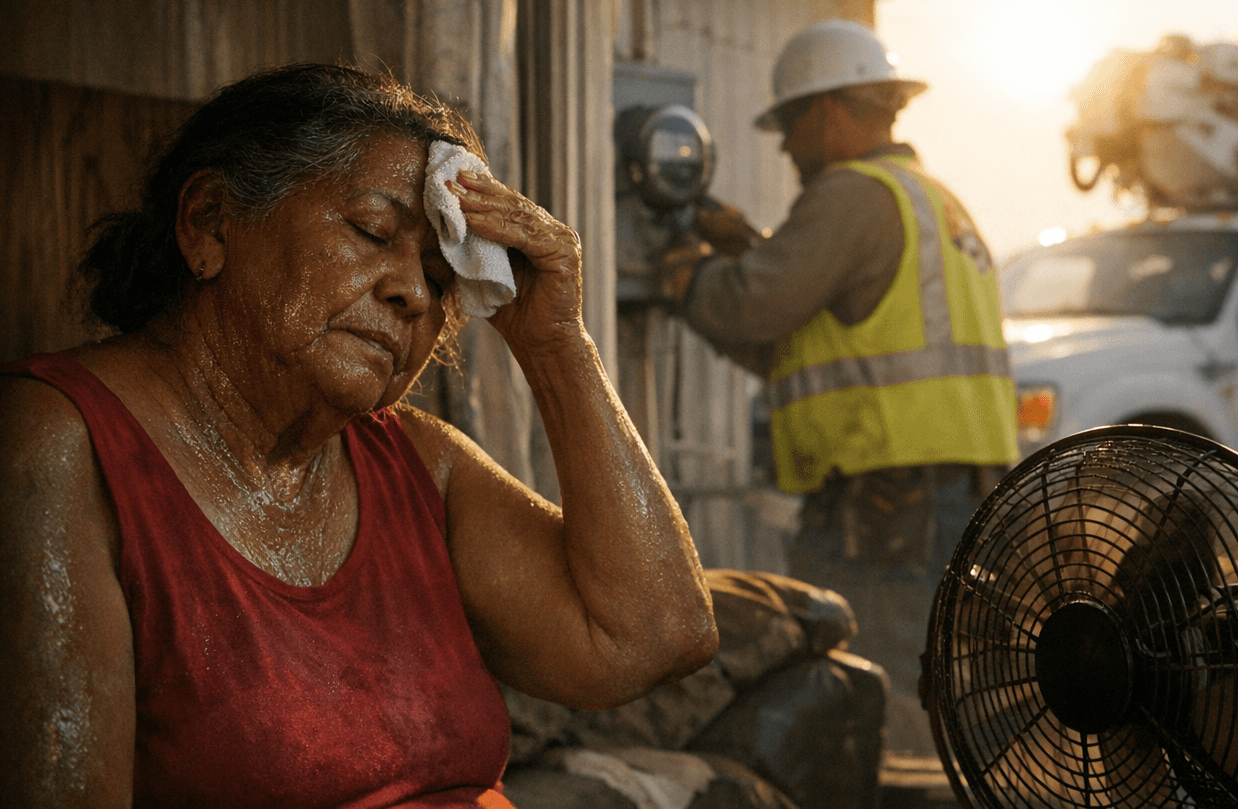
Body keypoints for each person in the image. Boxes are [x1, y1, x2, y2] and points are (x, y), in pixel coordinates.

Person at [0, 64, 718, 808]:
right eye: (374, 232)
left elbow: (654, 638)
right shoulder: (55, 442)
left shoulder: (418, 459)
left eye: (442, 278)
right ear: (209, 221)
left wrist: (557, 343)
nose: (412, 291)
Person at [666, 20, 1017, 747]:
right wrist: (753, 251)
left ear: (825, 111)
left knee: (884, 696)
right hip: (966, 500)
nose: (788, 147)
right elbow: (813, 343)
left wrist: (692, 277)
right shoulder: (934, 201)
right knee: (962, 690)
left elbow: (756, 304)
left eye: (790, 125)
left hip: (886, 511)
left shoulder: (849, 195)